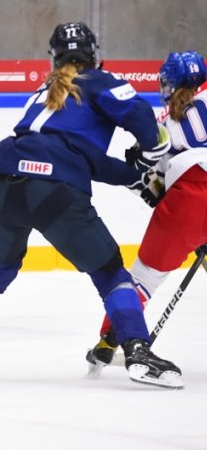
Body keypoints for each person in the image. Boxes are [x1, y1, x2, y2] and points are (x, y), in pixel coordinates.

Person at [0, 21, 184, 389]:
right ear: (94, 54)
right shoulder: (99, 81)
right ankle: (138, 349)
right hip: (55, 192)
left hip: (5, 186)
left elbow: (78, 155)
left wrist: (130, 173)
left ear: (53, 57)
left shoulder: (45, 92)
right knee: (111, 274)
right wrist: (150, 155)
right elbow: (139, 117)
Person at [86, 50, 207, 372]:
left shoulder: (164, 121)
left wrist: (148, 183)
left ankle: (108, 341)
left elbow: (153, 180)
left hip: (188, 202)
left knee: (143, 280)